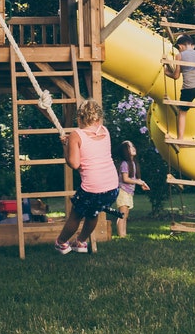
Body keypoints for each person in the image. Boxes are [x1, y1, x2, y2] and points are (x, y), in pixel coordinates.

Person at [54, 99, 119, 254]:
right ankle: (81, 242)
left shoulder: (77, 135)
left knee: (75, 216)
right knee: (93, 214)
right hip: (111, 186)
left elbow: (74, 164)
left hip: (93, 188)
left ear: (79, 118)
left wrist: (66, 145)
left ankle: (62, 242)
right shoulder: (105, 131)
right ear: (98, 118)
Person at [115, 140, 149, 237]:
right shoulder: (125, 164)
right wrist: (138, 182)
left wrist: (142, 183)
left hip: (128, 192)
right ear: (125, 151)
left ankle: (123, 234)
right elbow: (125, 179)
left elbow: (134, 178)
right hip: (123, 191)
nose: (133, 148)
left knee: (125, 215)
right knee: (122, 215)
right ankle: (121, 235)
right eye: (129, 147)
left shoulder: (133, 163)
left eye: (133, 146)